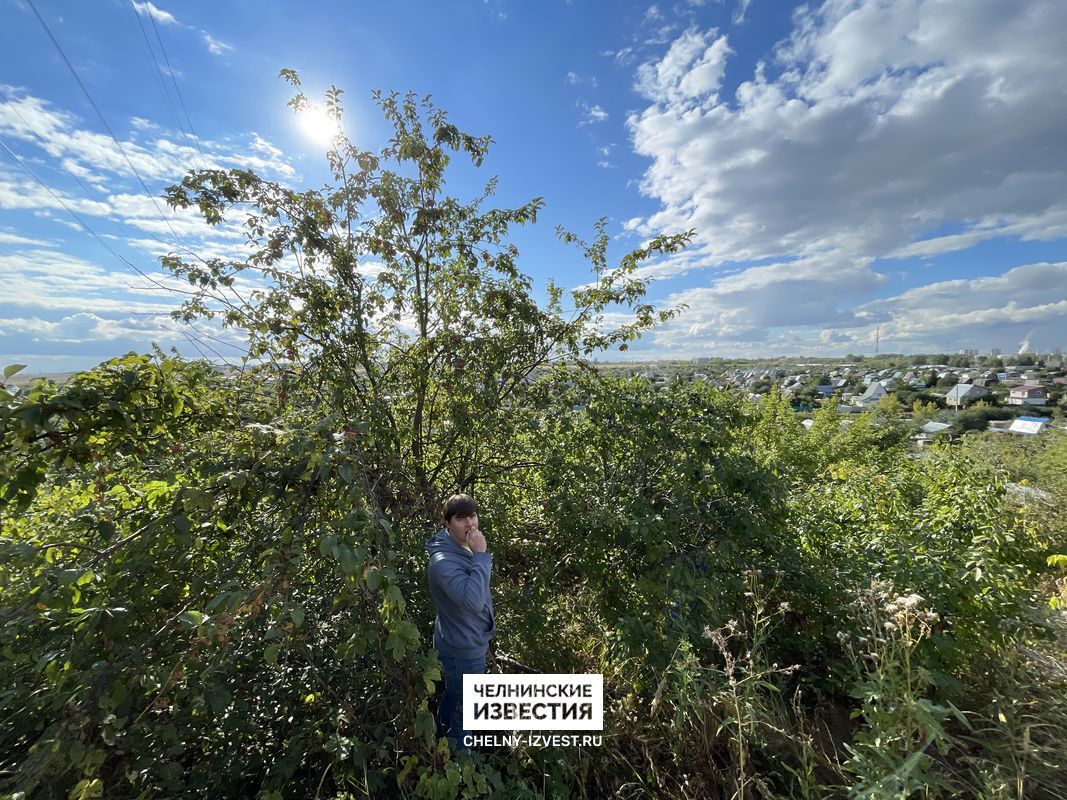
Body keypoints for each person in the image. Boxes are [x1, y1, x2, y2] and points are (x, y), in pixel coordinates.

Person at [425, 493, 495, 750]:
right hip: (462, 651)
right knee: (465, 711)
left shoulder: (460, 545)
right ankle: (460, 760)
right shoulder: (443, 562)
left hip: (465, 638)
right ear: (447, 523)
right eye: (461, 518)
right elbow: (473, 601)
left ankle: (441, 733)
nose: (470, 524)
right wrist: (481, 556)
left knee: (456, 697)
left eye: (473, 515)